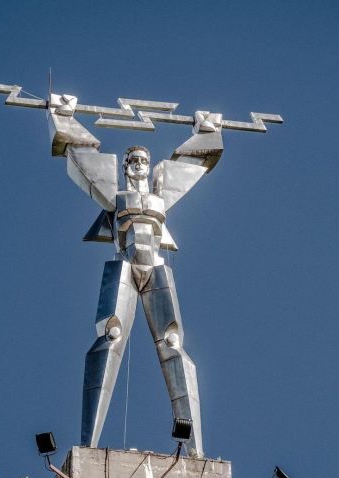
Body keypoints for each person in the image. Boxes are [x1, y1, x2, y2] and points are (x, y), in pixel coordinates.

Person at [48, 101, 224, 457]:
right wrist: (62, 116)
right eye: (134, 162)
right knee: (111, 336)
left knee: (173, 343)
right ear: (126, 167)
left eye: (144, 161)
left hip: (157, 267)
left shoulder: (162, 195)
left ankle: (197, 452)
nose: (140, 166)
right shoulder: (116, 196)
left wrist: (208, 131)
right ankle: (90, 445)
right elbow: (78, 151)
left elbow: (197, 161)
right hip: (125, 266)